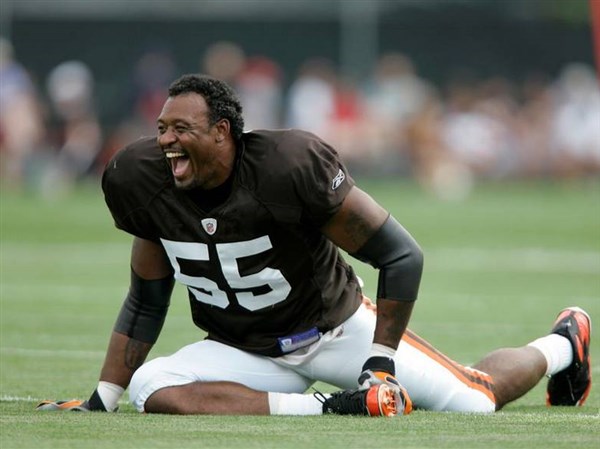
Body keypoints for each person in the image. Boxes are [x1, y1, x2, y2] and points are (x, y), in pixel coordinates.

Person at [37, 74, 591, 416]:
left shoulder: (288, 166)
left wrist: (379, 365)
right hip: (246, 350)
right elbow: (146, 296)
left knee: (476, 400)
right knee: (152, 386)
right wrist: (102, 399)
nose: (165, 141)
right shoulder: (141, 178)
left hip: (334, 330)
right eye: (160, 128)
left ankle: (564, 342)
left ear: (223, 132)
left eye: (181, 129)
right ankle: (326, 409)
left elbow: (401, 256)